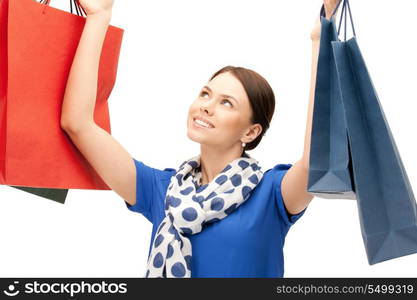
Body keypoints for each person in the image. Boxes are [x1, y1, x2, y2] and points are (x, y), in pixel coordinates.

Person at [60, 0, 341, 278]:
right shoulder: (162, 191)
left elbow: (316, 160)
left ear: (251, 132)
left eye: (227, 103)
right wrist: (99, 18)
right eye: (205, 94)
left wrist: (320, 39)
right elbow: (78, 124)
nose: (206, 106)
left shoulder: (272, 195)